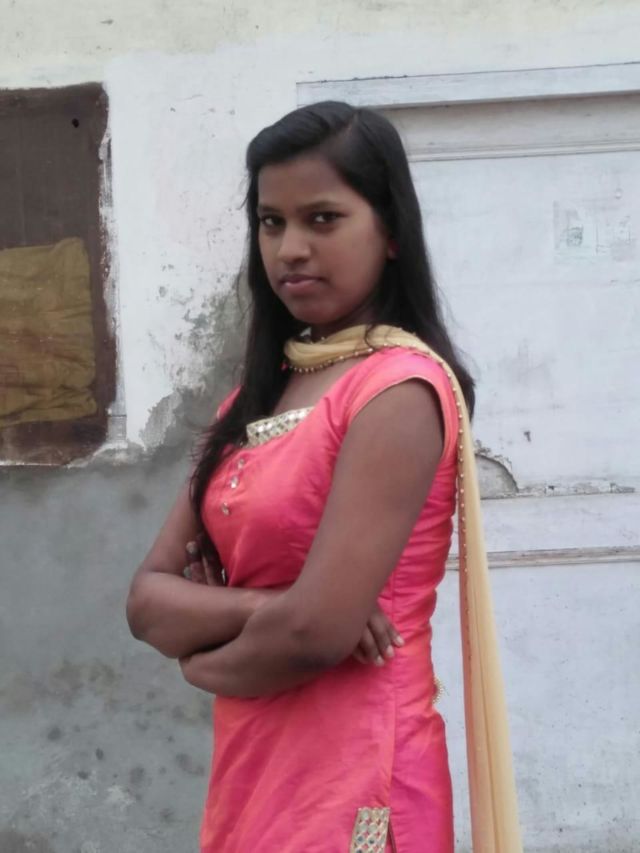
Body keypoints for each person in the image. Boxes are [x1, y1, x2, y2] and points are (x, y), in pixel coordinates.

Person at [126, 101, 521, 853]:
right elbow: (146, 601)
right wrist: (267, 607)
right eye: (271, 223)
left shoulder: (397, 391)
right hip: (253, 765)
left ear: (391, 231)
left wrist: (199, 657)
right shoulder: (254, 397)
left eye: (323, 219)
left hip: (360, 771)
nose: (291, 249)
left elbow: (317, 633)